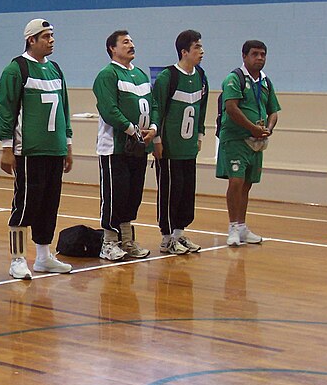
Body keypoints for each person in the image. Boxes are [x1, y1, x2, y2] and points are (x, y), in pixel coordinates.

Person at [0, 18, 74, 279]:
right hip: (29, 150)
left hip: (54, 149)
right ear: (31, 40)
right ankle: (18, 259)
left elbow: (64, 108)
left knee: (49, 204)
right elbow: (7, 110)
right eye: (46, 37)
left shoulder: (55, 69)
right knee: (25, 204)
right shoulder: (16, 69)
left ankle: (43, 257)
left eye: (52, 36)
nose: (51, 41)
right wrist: (7, 147)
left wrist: (68, 143)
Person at [94, 30, 158, 261]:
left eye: (132, 41)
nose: (131, 45)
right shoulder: (107, 75)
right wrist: (131, 130)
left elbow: (154, 105)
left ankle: (127, 240)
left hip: (138, 148)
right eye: (125, 42)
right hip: (115, 148)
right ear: (112, 48)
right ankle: (109, 242)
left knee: (133, 195)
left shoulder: (140, 75)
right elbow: (109, 109)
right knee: (115, 195)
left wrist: (153, 129)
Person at [216, 40, 280, 246]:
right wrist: (252, 127)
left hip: (256, 141)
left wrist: (268, 129)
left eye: (263, 54)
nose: (259, 58)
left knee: (247, 183)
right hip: (236, 139)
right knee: (236, 181)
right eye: (255, 54)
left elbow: (273, 111)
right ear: (244, 56)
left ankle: (242, 227)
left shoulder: (266, 82)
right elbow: (231, 108)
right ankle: (233, 227)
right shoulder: (234, 78)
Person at [152, 30, 209, 255]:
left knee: (186, 192)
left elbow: (202, 109)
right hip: (169, 148)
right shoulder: (168, 77)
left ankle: (178, 233)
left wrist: (200, 135)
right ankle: (166, 238)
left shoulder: (201, 76)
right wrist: (157, 140)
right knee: (170, 192)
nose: (201, 51)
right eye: (196, 47)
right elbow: (157, 108)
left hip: (188, 148)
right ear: (184, 51)